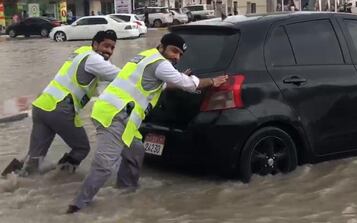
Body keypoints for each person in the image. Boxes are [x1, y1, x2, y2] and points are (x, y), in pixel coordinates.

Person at [66, 33, 228, 214]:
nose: (176, 57)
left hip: (122, 117)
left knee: (135, 151)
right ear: (162, 47)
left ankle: (126, 192)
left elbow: (164, 85)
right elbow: (188, 85)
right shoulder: (161, 63)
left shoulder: (146, 56)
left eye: (180, 55)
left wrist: (179, 78)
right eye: (174, 51)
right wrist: (212, 81)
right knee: (104, 165)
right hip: (114, 115)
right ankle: (77, 207)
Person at [1, 31, 121, 178]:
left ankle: (10, 181)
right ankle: (59, 180)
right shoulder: (94, 59)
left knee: (35, 157)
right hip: (60, 109)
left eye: (112, 48)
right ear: (95, 44)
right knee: (82, 148)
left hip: (42, 106)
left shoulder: (81, 52)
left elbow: (102, 86)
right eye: (105, 46)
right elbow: (121, 76)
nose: (109, 50)